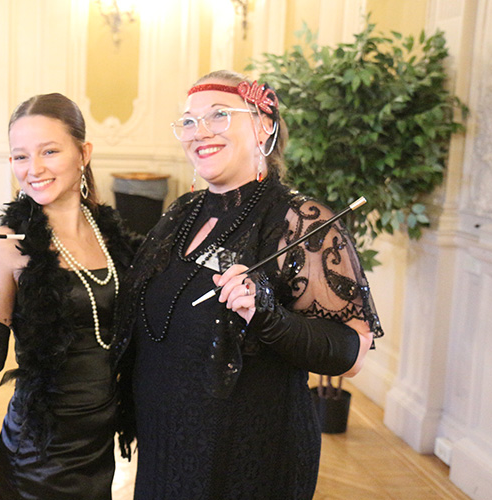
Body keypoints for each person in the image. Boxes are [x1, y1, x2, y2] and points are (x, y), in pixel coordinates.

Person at [112, 70, 384, 499]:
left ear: (264, 125)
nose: (198, 132)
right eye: (187, 121)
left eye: (218, 115)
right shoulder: (183, 213)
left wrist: (266, 314)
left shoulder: (300, 222)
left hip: (249, 455)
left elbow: (352, 353)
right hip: (167, 446)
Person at [0, 93, 137, 499]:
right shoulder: (7, 245)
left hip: (99, 447)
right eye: (20, 156)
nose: (34, 169)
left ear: (83, 153)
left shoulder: (109, 235)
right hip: (40, 457)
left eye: (50, 151)